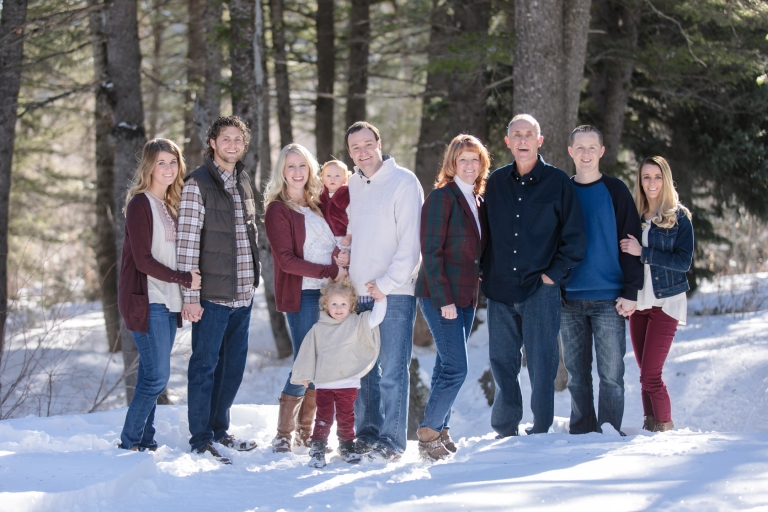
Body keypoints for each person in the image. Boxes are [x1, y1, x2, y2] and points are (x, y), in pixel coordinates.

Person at [482, 114, 586, 437]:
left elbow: (575, 236)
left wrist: (552, 276)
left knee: (542, 363)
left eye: (529, 135)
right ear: (508, 143)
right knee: (502, 362)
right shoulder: (495, 183)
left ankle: (541, 428)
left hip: (540, 289)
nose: (523, 140)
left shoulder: (558, 183)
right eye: (517, 135)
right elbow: (483, 233)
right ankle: (505, 427)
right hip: (500, 288)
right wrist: (485, 273)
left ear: (539, 141)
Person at [177, 116, 260, 465]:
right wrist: (190, 297)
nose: (232, 144)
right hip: (211, 295)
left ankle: (218, 429)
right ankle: (200, 439)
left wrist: (255, 280)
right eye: (225, 138)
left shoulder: (243, 180)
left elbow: (250, 233)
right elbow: (186, 242)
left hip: (243, 293)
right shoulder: (197, 183)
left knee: (233, 368)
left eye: (238, 139)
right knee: (205, 367)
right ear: (212, 142)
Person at [345, 121, 423, 461]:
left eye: (367, 144)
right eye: (355, 148)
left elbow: (411, 243)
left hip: (395, 292)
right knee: (363, 371)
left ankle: (392, 441)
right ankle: (367, 435)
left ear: (379, 143)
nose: (362, 153)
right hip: (359, 293)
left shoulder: (403, 181)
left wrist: (387, 284)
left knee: (392, 369)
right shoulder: (353, 184)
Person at [264, 144, 349, 453]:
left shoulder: (318, 204)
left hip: (330, 295)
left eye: (302, 165)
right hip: (304, 294)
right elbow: (286, 260)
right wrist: (330, 270)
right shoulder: (278, 209)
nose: (297, 172)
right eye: (290, 167)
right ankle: (284, 435)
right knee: (306, 363)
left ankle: (305, 433)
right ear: (282, 173)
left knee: (322, 364)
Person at [117, 139, 202, 452]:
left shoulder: (171, 205)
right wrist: (184, 279)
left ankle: (144, 439)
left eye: (173, 162)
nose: (168, 168)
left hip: (168, 301)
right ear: (149, 166)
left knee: (150, 375)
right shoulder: (141, 203)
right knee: (156, 376)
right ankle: (130, 442)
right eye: (161, 162)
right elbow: (143, 260)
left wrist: (187, 293)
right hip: (147, 299)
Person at [561, 125, 644, 435]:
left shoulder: (616, 191)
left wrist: (631, 290)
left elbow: (631, 242)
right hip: (568, 298)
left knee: (612, 373)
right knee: (576, 375)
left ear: (602, 151)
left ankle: (608, 431)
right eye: (579, 147)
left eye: (591, 147)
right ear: (570, 151)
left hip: (609, 297)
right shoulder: (563, 191)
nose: (585, 153)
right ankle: (582, 430)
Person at [414, 134, 489, 460]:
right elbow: (431, 253)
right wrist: (444, 300)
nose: (470, 165)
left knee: (447, 365)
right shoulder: (442, 197)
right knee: (458, 367)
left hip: (466, 294)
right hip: (439, 294)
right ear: (452, 164)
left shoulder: (478, 199)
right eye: (463, 160)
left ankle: (441, 428)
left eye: (475, 159)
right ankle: (428, 433)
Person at [620, 156, 693, 432]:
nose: (651, 182)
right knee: (644, 376)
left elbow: (683, 262)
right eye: (646, 177)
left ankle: (664, 429)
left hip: (666, 302)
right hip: (639, 303)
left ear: (666, 179)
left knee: (651, 375)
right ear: (640, 181)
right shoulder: (635, 217)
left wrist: (644, 253)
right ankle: (650, 428)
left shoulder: (679, 217)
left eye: (657, 176)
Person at [291, 280, 385, 468]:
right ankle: (317, 448)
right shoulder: (319, 328)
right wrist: (304, 374)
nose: (339, 308)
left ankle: (346, 446)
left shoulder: (357, 322)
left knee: (346, 417)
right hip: (325, 383)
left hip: (348, 383)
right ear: (326, 305)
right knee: (324, 417)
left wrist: (381, 299)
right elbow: (308, 351)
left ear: (351, 304)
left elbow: (376, 319)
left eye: (343, 304)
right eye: (334, 304)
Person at [318, 159, 352, 250]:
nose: (332, 179)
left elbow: (352, 219)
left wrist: (349, 236)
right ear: (322, 178)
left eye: (337, 176)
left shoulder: (346, 196)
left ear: (345, 179)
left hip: (342, 238)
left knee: (341, 259)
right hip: (325, 237)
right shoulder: (320, 196)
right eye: (328, 176)